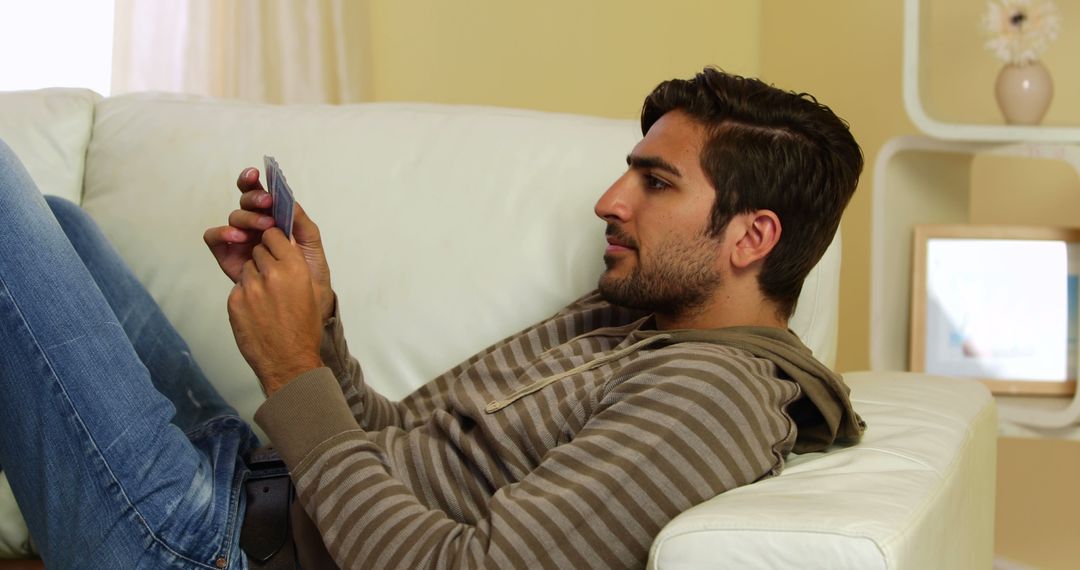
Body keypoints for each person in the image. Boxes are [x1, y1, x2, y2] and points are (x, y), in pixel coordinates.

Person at [0, 68, 864, 569]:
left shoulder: (710, 401)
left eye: (655, 182)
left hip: (206, 548)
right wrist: (317, 317)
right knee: (57, 220)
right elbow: (389, 449)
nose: (610, 200)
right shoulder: (635, 313)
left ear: (752, 237)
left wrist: (291, 369)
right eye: (627, 171)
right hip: (246, 482)